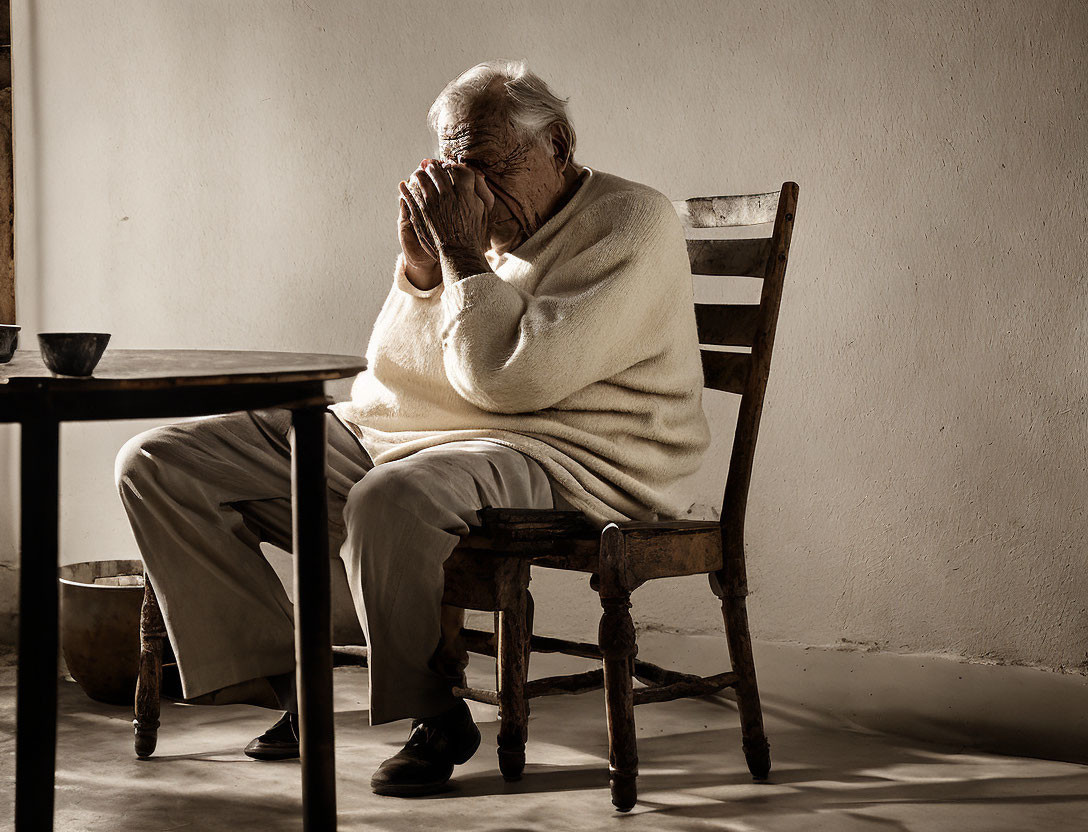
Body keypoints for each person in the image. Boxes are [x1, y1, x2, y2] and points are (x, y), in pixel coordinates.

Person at [115, 59, 710, 796]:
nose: (472, 191)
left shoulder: (631, 220)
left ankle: (432, 711)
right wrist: (421, 267)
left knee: (388, 500)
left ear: (556, 142)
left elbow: (512, 382)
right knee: (158, 462)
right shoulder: (477, 230)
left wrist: (460, 255)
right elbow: (392, 372)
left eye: (490, 165)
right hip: (417, 432)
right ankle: (293, 691)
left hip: (567, 449)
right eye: (458, 168)